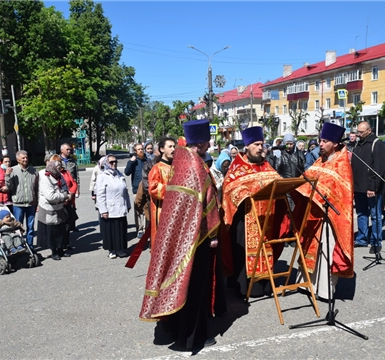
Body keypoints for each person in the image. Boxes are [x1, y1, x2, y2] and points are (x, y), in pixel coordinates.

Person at [140, 119, 223, 350]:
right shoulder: (196, 165)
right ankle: (192, 337)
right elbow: (207, 203)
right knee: (195, 286)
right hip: (199, 238)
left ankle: (175, 328)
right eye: (208, 141)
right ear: (203, 141)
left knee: (179, 281)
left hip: (181, 235)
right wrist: (213, 233)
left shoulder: (182, 161)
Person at [292, 122, 355, 300]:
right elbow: (309, 178)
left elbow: (339, 192)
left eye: (324, 141)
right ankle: (307, 284)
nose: (320, 144)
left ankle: (325, 291)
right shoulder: (322, 159)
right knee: (311, 247)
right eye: (320, 140)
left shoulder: (341, 164)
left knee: (326, 250)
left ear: (335, 143)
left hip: (331, 217)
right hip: (314, 213)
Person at [222, 126, 286, 298]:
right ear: (247, 146)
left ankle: (265, 283)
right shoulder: (237, 167)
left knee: (266, 248)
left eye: (262, 144)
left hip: (266, 219)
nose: (260, 148)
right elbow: (229, 188)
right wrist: (244, 194)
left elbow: (277, 182)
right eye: (256, 144)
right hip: (245, 219)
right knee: (243, 251)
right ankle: (244, 287)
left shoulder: (266, 166)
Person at [351, 121, 385, 253]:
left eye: (361, 132)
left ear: (369, 131)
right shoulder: (358, 144)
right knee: (361, 214)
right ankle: (362, 238)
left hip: (372, 189)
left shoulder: (377, 145)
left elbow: (379, 168)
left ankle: (376, 241)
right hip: (358, 187)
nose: (358, 134)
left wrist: (373, 187)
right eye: (358, 132)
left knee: (375, 215)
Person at [97, 154, 131, 259]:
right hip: (110, 207)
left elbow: (125, 191)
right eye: (111, 162)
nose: (114, 163)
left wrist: (128, 204)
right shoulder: (103, 176)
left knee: (121, 228)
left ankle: (120, 249)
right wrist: (103, 210)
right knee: (111, 230)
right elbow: (100, 195)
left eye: (115, 161)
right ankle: (111, 250)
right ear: (106, 164)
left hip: (121, 205)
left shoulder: (120, 174)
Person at [38, 160, 71, 260]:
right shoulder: (45, 178)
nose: (59, 169)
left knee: (61, 230)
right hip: (49, 208)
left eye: (60, 167)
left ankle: (61, 249)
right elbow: (51, 196)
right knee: (52, 232)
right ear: (52, 167)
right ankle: (54, 251)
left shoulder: (58, 175)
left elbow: (65, 187)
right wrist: (65, 196)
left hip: (59, 207)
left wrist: (65, 195)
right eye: (57, 167)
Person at [5, 150, 38, 248]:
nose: (25, 159)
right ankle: (19, 245)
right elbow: (9, 187)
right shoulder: (13, 170)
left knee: (30, 227)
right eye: (23, 158)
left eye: (26, 157)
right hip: (18, 204)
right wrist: (7, 175)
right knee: (17, 226)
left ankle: (30, 246)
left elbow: (37, 188)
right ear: (18, 159)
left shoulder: (34, 171)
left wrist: (37, 202)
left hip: (31, 203)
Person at [147, 137, 176, 250]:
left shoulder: (176, 168)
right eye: (170, 147)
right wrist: (173, 190)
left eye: (174, 146)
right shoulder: (157, 168)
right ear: (162, 149)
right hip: (162, 212)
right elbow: (153, 188)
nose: (173, 149)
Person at [50, 154, 78, 250]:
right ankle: (59, 246)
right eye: (58, 162)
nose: (60, 164)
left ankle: (67, 243)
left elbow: (73, 183)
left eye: (60, 162)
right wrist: (64, 197)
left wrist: (71, 193)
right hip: (59, 202)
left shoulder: (66, 172)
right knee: (60, 226)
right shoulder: (51, 174)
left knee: (68, 224)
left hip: (69, 200)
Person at [125, 143, 148, 238]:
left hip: (147, 189)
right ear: (135, 151)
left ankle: (147, 229)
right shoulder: (133, 161)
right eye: (139, 149)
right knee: (138, 210)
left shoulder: (148, 160)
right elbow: (127, 172)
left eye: (142, 148)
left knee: (147, 210)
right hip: (136, 190)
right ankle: (140, 229)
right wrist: (131, 162)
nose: (141, 150)